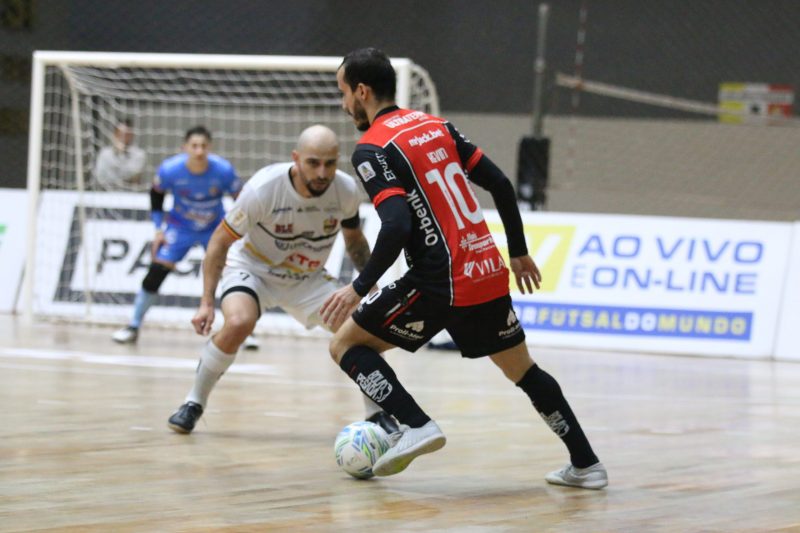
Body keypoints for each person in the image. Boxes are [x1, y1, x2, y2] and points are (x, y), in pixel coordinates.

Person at [321, 48, 607, 489]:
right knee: (523, 371)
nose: (343, 104)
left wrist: (359, 286)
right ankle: (587, 464)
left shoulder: (372, 147)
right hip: (487, 268)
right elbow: (501, 184)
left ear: (362, 91)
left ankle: (415, 425)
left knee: (345, 346)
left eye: (343, 93)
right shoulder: (437, 126)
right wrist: (517, 250)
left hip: (440, 276)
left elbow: (395, 224)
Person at [166, 124, 398, 436]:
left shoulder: (345, 190)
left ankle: (377, 415)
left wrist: (370, 286)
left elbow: (355, 242)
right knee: (238, 322)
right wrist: (206, 302)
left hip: (307, 279)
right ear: (296, 158)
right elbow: (219, 242)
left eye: (330, 163)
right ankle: (193, 402)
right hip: (254, 269)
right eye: (313, 163)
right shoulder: (264, 188)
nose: (322, 172)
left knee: (362, 329)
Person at [112, 126, 242, 344]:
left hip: (214, 228)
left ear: (209, 148)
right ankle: (133, 326)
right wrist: (158, 229)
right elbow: (156, 195)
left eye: (203, 146)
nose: (199, 151)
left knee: (232, 275)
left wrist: (239, 231)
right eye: (194, 146)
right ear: (185, 148)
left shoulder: (223, 170)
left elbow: (242, 199)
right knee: (156, 271)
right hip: (180, 227)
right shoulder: (170, 169)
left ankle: (243, 330)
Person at [93, 118, 148, 191]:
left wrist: (120, 155)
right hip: (106, 194)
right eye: (120, 134)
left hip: (131, 196)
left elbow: (133, 176)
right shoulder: (104, 153)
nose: (123, 137)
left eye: (126, 134)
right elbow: (100, 176)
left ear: (132, 135)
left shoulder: (139, 154)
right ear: (115, 134)